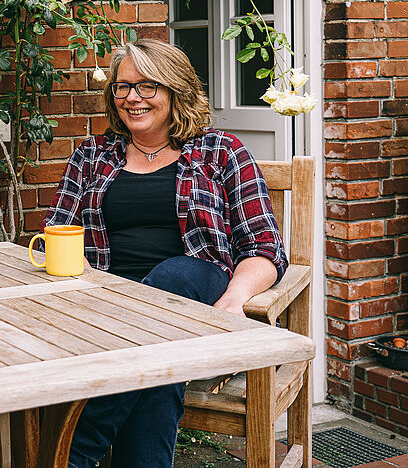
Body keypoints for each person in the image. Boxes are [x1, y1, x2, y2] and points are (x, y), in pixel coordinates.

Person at [42, 39, 287, 468]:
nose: (132, 98)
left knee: (171, 279)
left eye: (147, 86)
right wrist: (81, 277)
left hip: (195, 288)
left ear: (176, 89)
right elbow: (58, 232)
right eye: (122, 87)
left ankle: (76, 451)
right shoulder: (91, 156)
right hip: (110, 302)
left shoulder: (220, 151)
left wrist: (232, 302)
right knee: (158, 364)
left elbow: (264, 246)